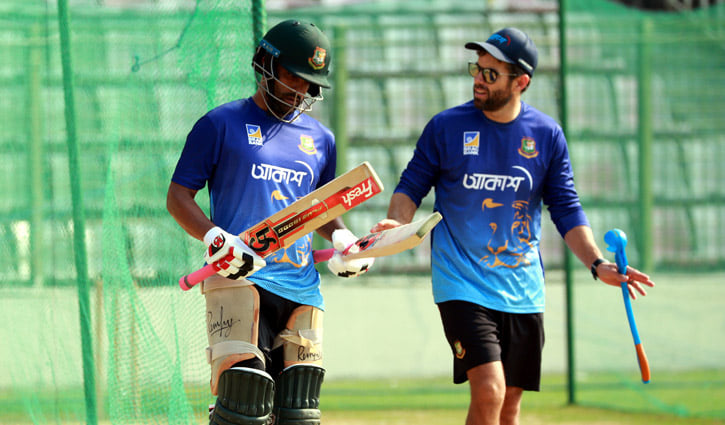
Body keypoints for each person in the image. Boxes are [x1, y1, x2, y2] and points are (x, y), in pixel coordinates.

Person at [372, 27, 655, 425]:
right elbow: (410, 187)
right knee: (490, 389)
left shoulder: (547, 135)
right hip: (462, 283)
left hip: (523, 289)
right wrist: (396, 224)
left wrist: (597, 264)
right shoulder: (446, 127)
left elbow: (566, 208)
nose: (478, 79)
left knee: (509, 407)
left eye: (490, 73)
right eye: (477, 68)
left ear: (521, 82)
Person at [166, 19, 373, 425]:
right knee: (244, 405)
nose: (300, 91)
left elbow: (320, 209)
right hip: (239, 278)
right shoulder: (220, 124)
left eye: (309, 84)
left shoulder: (322, 139)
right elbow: (178, 197)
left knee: (299, 412)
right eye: (293, 77)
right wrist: (215, 238)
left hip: (301, 285)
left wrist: (344, 239)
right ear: (265, 64)